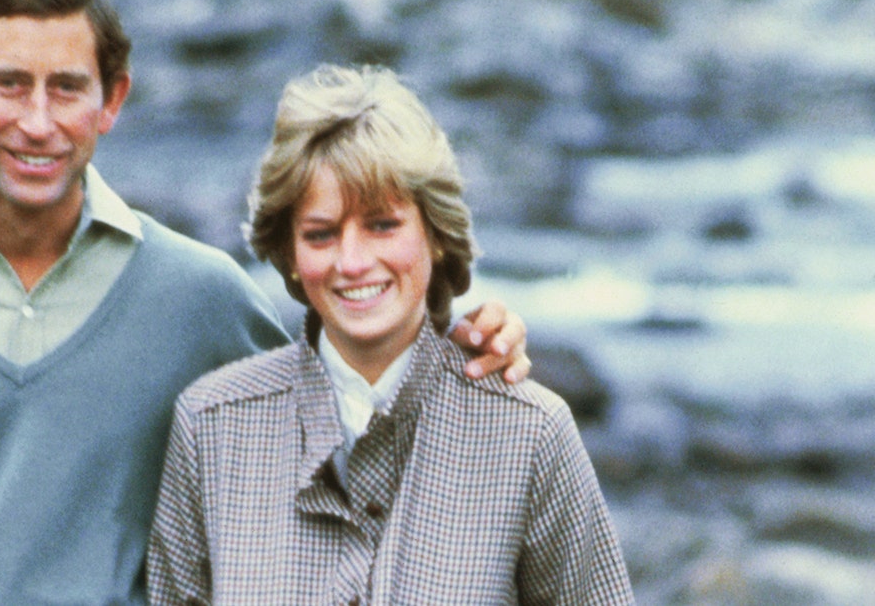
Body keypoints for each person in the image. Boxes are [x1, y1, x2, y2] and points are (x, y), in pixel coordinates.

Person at [0, 0, 531, 605]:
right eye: (9, 84)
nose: (38, 121)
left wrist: (468, 341)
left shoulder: (199, 298)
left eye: (66, 87)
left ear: (112, 100)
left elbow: (355, 408)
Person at [147, 64, 633, 604]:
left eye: (382, 225)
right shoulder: (210, 428)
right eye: (321, 234)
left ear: (438, 234)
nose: (352, 262)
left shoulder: (530, 434)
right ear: (288, 254)